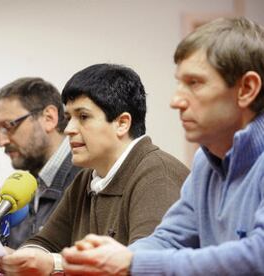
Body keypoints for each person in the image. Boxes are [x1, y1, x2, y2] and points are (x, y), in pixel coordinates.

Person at [62, 17, 264, 276]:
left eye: (195, 83)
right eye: (179, 83)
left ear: (246, 89)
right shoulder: (206, 161)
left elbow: (258, 255)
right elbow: (170, 239)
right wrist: (115, 255)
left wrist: (131, 263)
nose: (176, 101)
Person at [0, 64, 189, 275]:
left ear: (122, 124)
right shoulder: (87, 178)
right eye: (69, 118)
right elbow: (44, 242)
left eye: (83, 117)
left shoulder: (157, 175)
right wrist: (23, 259)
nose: (69, 129)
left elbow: (144, 266)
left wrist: (53, 263)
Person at [0, 77, 82, 248]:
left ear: (49, 118)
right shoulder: (21, 187)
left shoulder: (88, 178)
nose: (1, 141)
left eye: (8, 125)